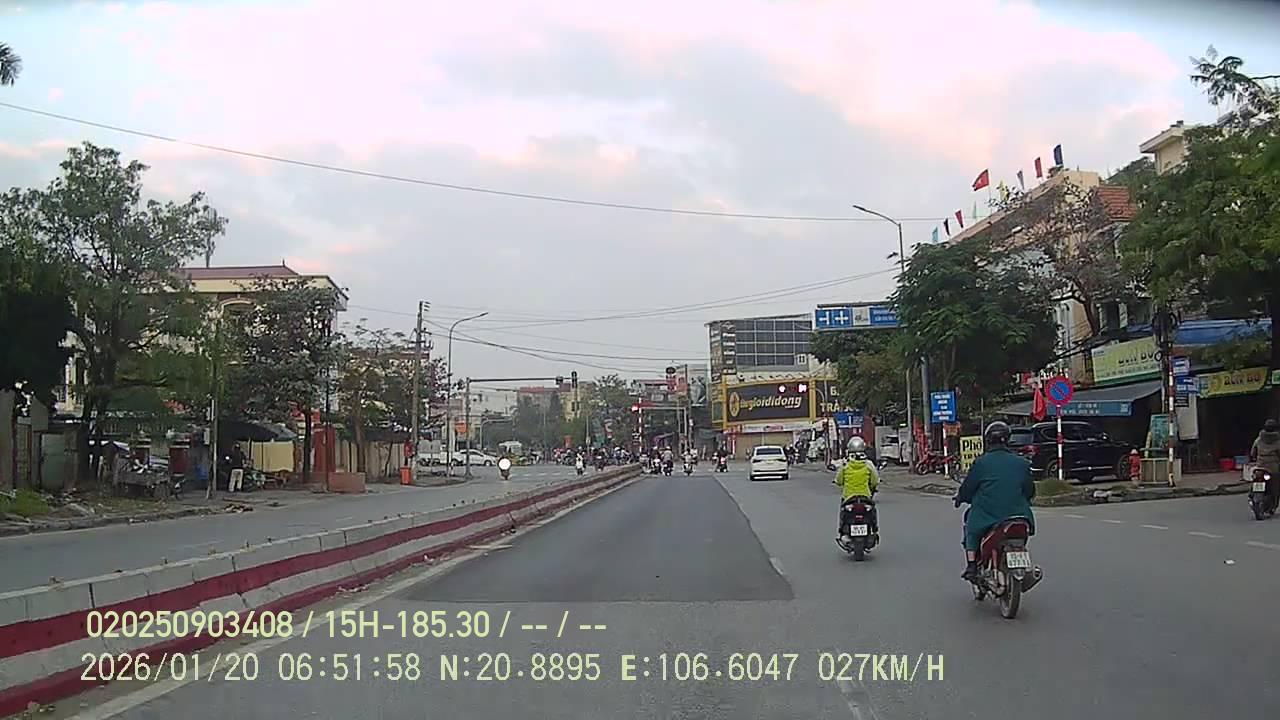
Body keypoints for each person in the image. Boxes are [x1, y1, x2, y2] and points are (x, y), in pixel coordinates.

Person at [954, 421, 1036, 581]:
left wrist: (960, 498)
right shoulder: (1022, 463)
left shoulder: (981, 463)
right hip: (1020, 515)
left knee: (971, 528)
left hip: (988, 515)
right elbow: (1029, 490)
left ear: (988, 440)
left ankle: (972, 565)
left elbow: (968, 487)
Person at [833, 437, 880, 542]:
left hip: (848, 497)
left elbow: (839, 481)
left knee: (843, 513)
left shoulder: (845, 465)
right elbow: (875, 480)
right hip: (865, 497)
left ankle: (842, 531)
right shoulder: (868, 464)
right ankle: (874, 529)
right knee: (872, 512)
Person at [1250, 419, 1280, 499]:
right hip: (1273, 468)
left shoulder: (1259, 439)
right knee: (1275, 486)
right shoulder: (1277, 441)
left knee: (1256, 478)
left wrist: (1254, 458)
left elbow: (1253, 452)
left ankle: (1252, 493)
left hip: (1260, 465)